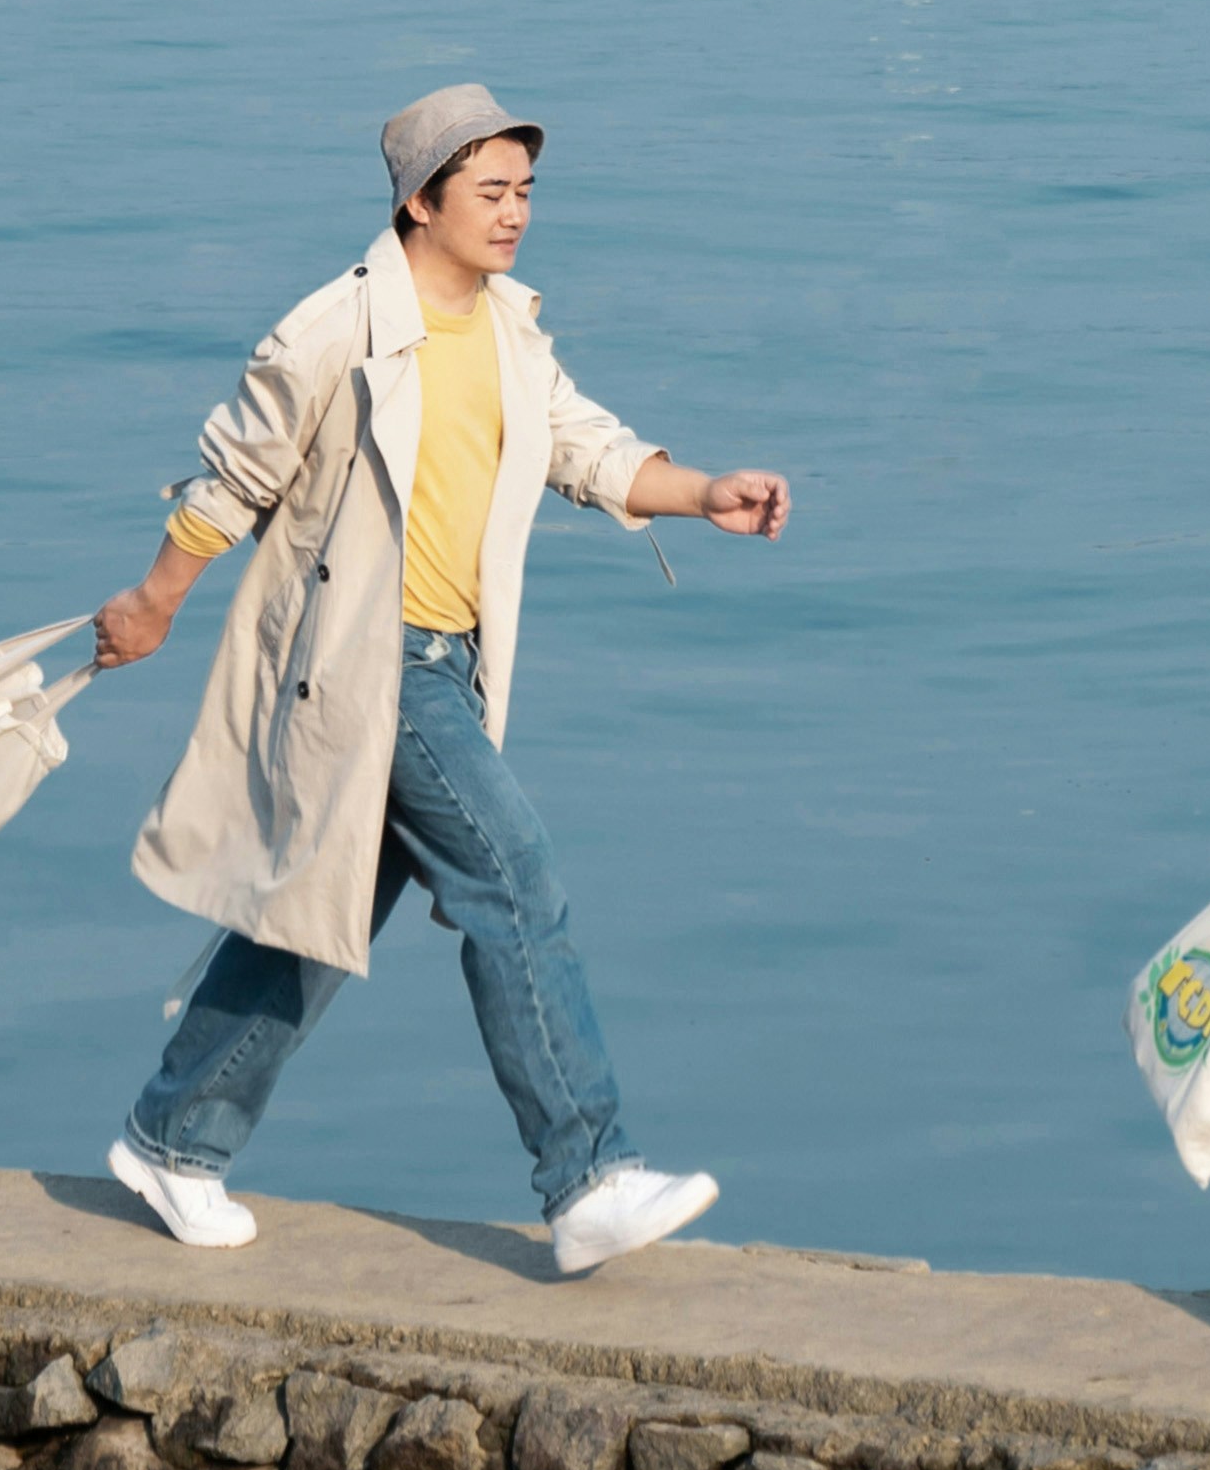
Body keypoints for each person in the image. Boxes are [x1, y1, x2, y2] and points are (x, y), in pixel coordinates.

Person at [81, 84, 792, 1275]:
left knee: (317, 922)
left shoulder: (511, 329)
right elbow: (231, 477)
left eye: (525, 193)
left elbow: (583, 446)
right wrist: (153, 601)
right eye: (490, 193)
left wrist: (704, 489)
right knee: (516, 881)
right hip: (367, 666)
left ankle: (173, 1137)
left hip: (450, 669)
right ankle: (587, 1174)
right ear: (421, 201)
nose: (515, 215)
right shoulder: (337, 327)